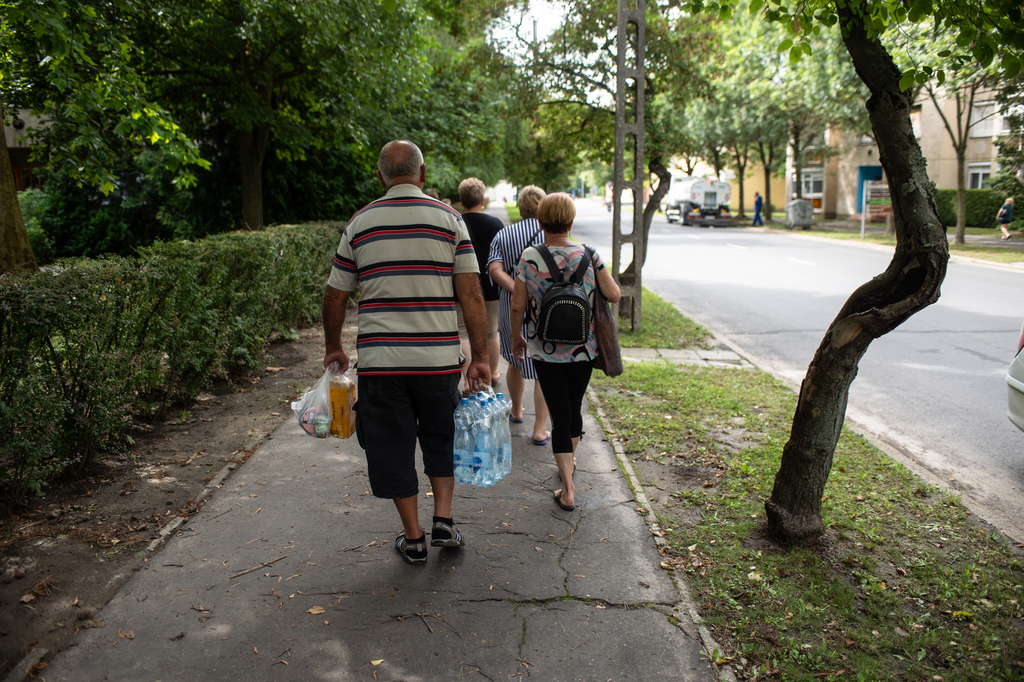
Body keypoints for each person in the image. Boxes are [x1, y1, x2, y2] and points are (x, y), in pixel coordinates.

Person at [322, 140, 490, 566]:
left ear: (380, 177)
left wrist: (333, 347)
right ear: (423, 174)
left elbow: (335, 295)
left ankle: (413, 537)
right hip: (437, 363)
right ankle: (445, 522)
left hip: (381, 366)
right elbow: (470, 294)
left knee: (390, 448)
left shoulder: (360, 223)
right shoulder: (451, 220)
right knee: (440, 437)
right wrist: (481, 357)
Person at [510, 193, 621, 512]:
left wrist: (518, 336)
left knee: (560, 413)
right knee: (573, 409)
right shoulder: (589, 254)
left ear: (541, 223)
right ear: (571, 223)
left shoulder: (530, 256)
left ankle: (568, 489)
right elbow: (612, 294)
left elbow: (518, 304)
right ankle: (568, 464)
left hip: (544, 350)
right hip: (583, 349)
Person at [488, 186, 551, 445]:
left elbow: (494, 269)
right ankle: (539, 429)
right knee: (544, 364)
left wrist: (518, 290)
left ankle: (516, 411)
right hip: (545, 305)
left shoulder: (504, 234)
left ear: (521, 206)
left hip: (511, 303)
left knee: (515, 359)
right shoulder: (550, 232)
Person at [456, 177, 503, 387]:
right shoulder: (495, 224)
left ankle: (468, 378)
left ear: (461, 200)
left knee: (463, 332)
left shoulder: (455, 222)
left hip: (460, 287)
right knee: (491, 331)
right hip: (491, 288)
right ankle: (492, 373)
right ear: (482, 200)